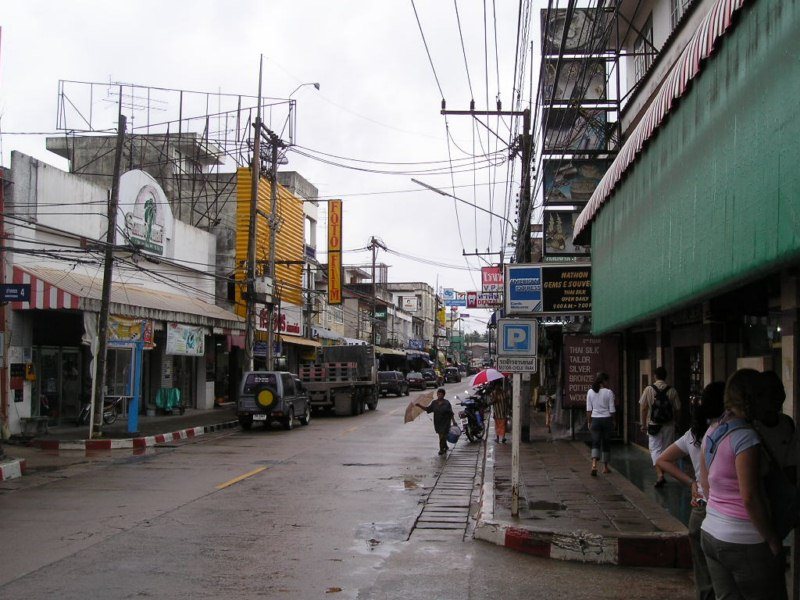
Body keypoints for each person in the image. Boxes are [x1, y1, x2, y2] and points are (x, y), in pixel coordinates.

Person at [700, 369, 786, 600]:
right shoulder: (746, 438)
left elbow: (705, 483)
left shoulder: (713, 430)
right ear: (753, 397)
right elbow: (750, 497)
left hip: (711, 532)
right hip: (744, 539)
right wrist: (772, 539)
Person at [656, 381, 725, 600]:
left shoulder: (693, 434)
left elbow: (662, 460)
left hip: (701, 511)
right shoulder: (731, 434)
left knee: (705, 582)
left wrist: (691, 483)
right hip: (725, 513)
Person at [640, 366, 682, 487]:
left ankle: (660, 475)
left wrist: (643, 424)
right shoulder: (672, 390)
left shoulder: (648, 389)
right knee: (666, 450)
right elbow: (678, 409)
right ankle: (662, 473)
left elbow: (643, 408)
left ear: (655, 376)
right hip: (669, 424)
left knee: (655, 450)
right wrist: (676, 422)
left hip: (653, 424)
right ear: (665, 376)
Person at [586, 372, 615, 476]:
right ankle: (605, 467)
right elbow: (612, 410)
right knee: (606, 443)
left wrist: (589, 421)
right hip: (607, 420)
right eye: (607, 381)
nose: (608, 383)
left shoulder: (590, 392)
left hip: (595, 420)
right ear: (604, 381)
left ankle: (594, 465)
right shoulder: (609, 392)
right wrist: (613, 421)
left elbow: (589, 410)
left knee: (595, 442)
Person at [416, 388, 457, 456]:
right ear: (437, 394)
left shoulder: (447, 403)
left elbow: (451, 413)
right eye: (438, 394)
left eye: (441, 394)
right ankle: (445, 446)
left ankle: (441, 449)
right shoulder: (434, 403)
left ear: (444, 395)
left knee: (443, 435)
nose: (440, 395)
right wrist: (419, 405)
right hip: (437, 422)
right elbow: (428, 409)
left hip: (446, 422)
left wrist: (454, 421)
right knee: (441, 435)